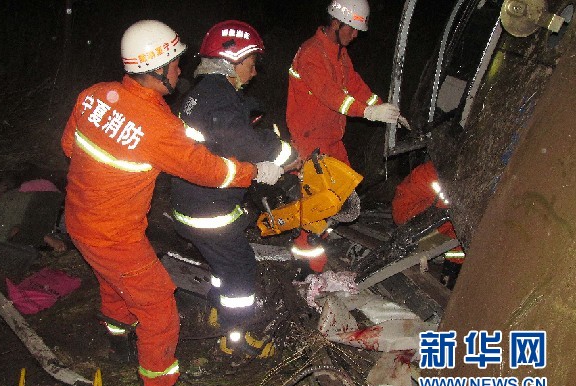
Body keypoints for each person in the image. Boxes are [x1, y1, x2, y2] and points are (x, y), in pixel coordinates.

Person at [61, 20, 283, 386]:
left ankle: (117, 336)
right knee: (159, 305)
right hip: (115, 234)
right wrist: (254, 172)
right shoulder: (157, 124)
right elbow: (206, 169)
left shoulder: (93, 96)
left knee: (113, 280)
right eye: (176, 63)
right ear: (158, 69)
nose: (181, 70)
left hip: (77, 219)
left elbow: (68, 146)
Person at [170, 20, 300, 357]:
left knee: (222, 265)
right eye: (251, 63)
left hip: (191, 201)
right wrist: (287, 153)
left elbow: (224, 140)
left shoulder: (203, 94)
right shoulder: (220, 99)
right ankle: (236, 338)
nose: (254, 72)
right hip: (208, 210)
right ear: (231, 60)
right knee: (241, 269)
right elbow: (246, 144)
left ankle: (217, 311)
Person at [286, 0, 410, 274]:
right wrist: (368, 113)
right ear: (336, 23)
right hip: (310, 141)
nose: (355, 36)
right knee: (317, 206)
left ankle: (318, 244)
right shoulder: (311, 54)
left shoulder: (339, 54)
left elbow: (354, 85)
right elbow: (331, 95)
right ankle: (306, 267)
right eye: (352, 29)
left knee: (341, 198)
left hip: (331, 139)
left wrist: (384, 107)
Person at [391, 160, 465, 288]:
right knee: (455, 218)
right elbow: (402, 209)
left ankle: (449, 274)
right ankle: (424, 250)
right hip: (411, 217)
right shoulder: (435, 173)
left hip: (436, 216)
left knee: (458, 226)